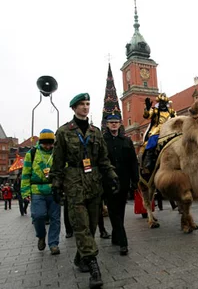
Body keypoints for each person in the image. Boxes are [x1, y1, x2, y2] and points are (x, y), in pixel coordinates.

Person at [49, 93, 119, 288]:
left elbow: (104, 159)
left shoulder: (96, 132)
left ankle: (81, 258)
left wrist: (112, 176)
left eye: (88, 103)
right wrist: (56, 183)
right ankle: (94, 266)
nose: (85, 107)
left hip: (94, 183)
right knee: (81, 225)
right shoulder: (63, 132)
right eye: (81, 104)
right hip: (74, 183)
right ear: (74, 108)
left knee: (92, 227)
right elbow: (58, 161)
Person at [103, 113, 139, 256]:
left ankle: (116, 234)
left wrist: (135, 180)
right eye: (111, 122)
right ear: (107, 124)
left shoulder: (126, 140)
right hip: (109, 182)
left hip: (124, 181)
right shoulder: (102, 140)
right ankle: (123, 241)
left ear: (120, 123)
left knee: (121, 210)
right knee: (113, 210)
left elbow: (133, 162)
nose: (113, 124)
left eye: (116, 122)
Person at [21, 129, 61, 255]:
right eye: (46, 143)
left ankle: (53, 244)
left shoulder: (57, 153)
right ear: (41, 142)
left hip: (54, 189)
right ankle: (41, 235)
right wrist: (25, 192)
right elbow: (26, 174)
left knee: (55, 218)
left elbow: (63, 168)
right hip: (37, 190)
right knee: (38, 216)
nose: (48, 146)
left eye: (51, 143)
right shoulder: (31, 153)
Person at [142, 93, 176, 172]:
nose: (162, 104)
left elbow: (175, 119)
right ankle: (149, 158)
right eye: (161, 102)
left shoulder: (171, 111)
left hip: (169, 128)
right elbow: (147, 116)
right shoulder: (155, 111)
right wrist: (147, 108)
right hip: (157, 129)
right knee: (153, 138)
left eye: (163, 102)